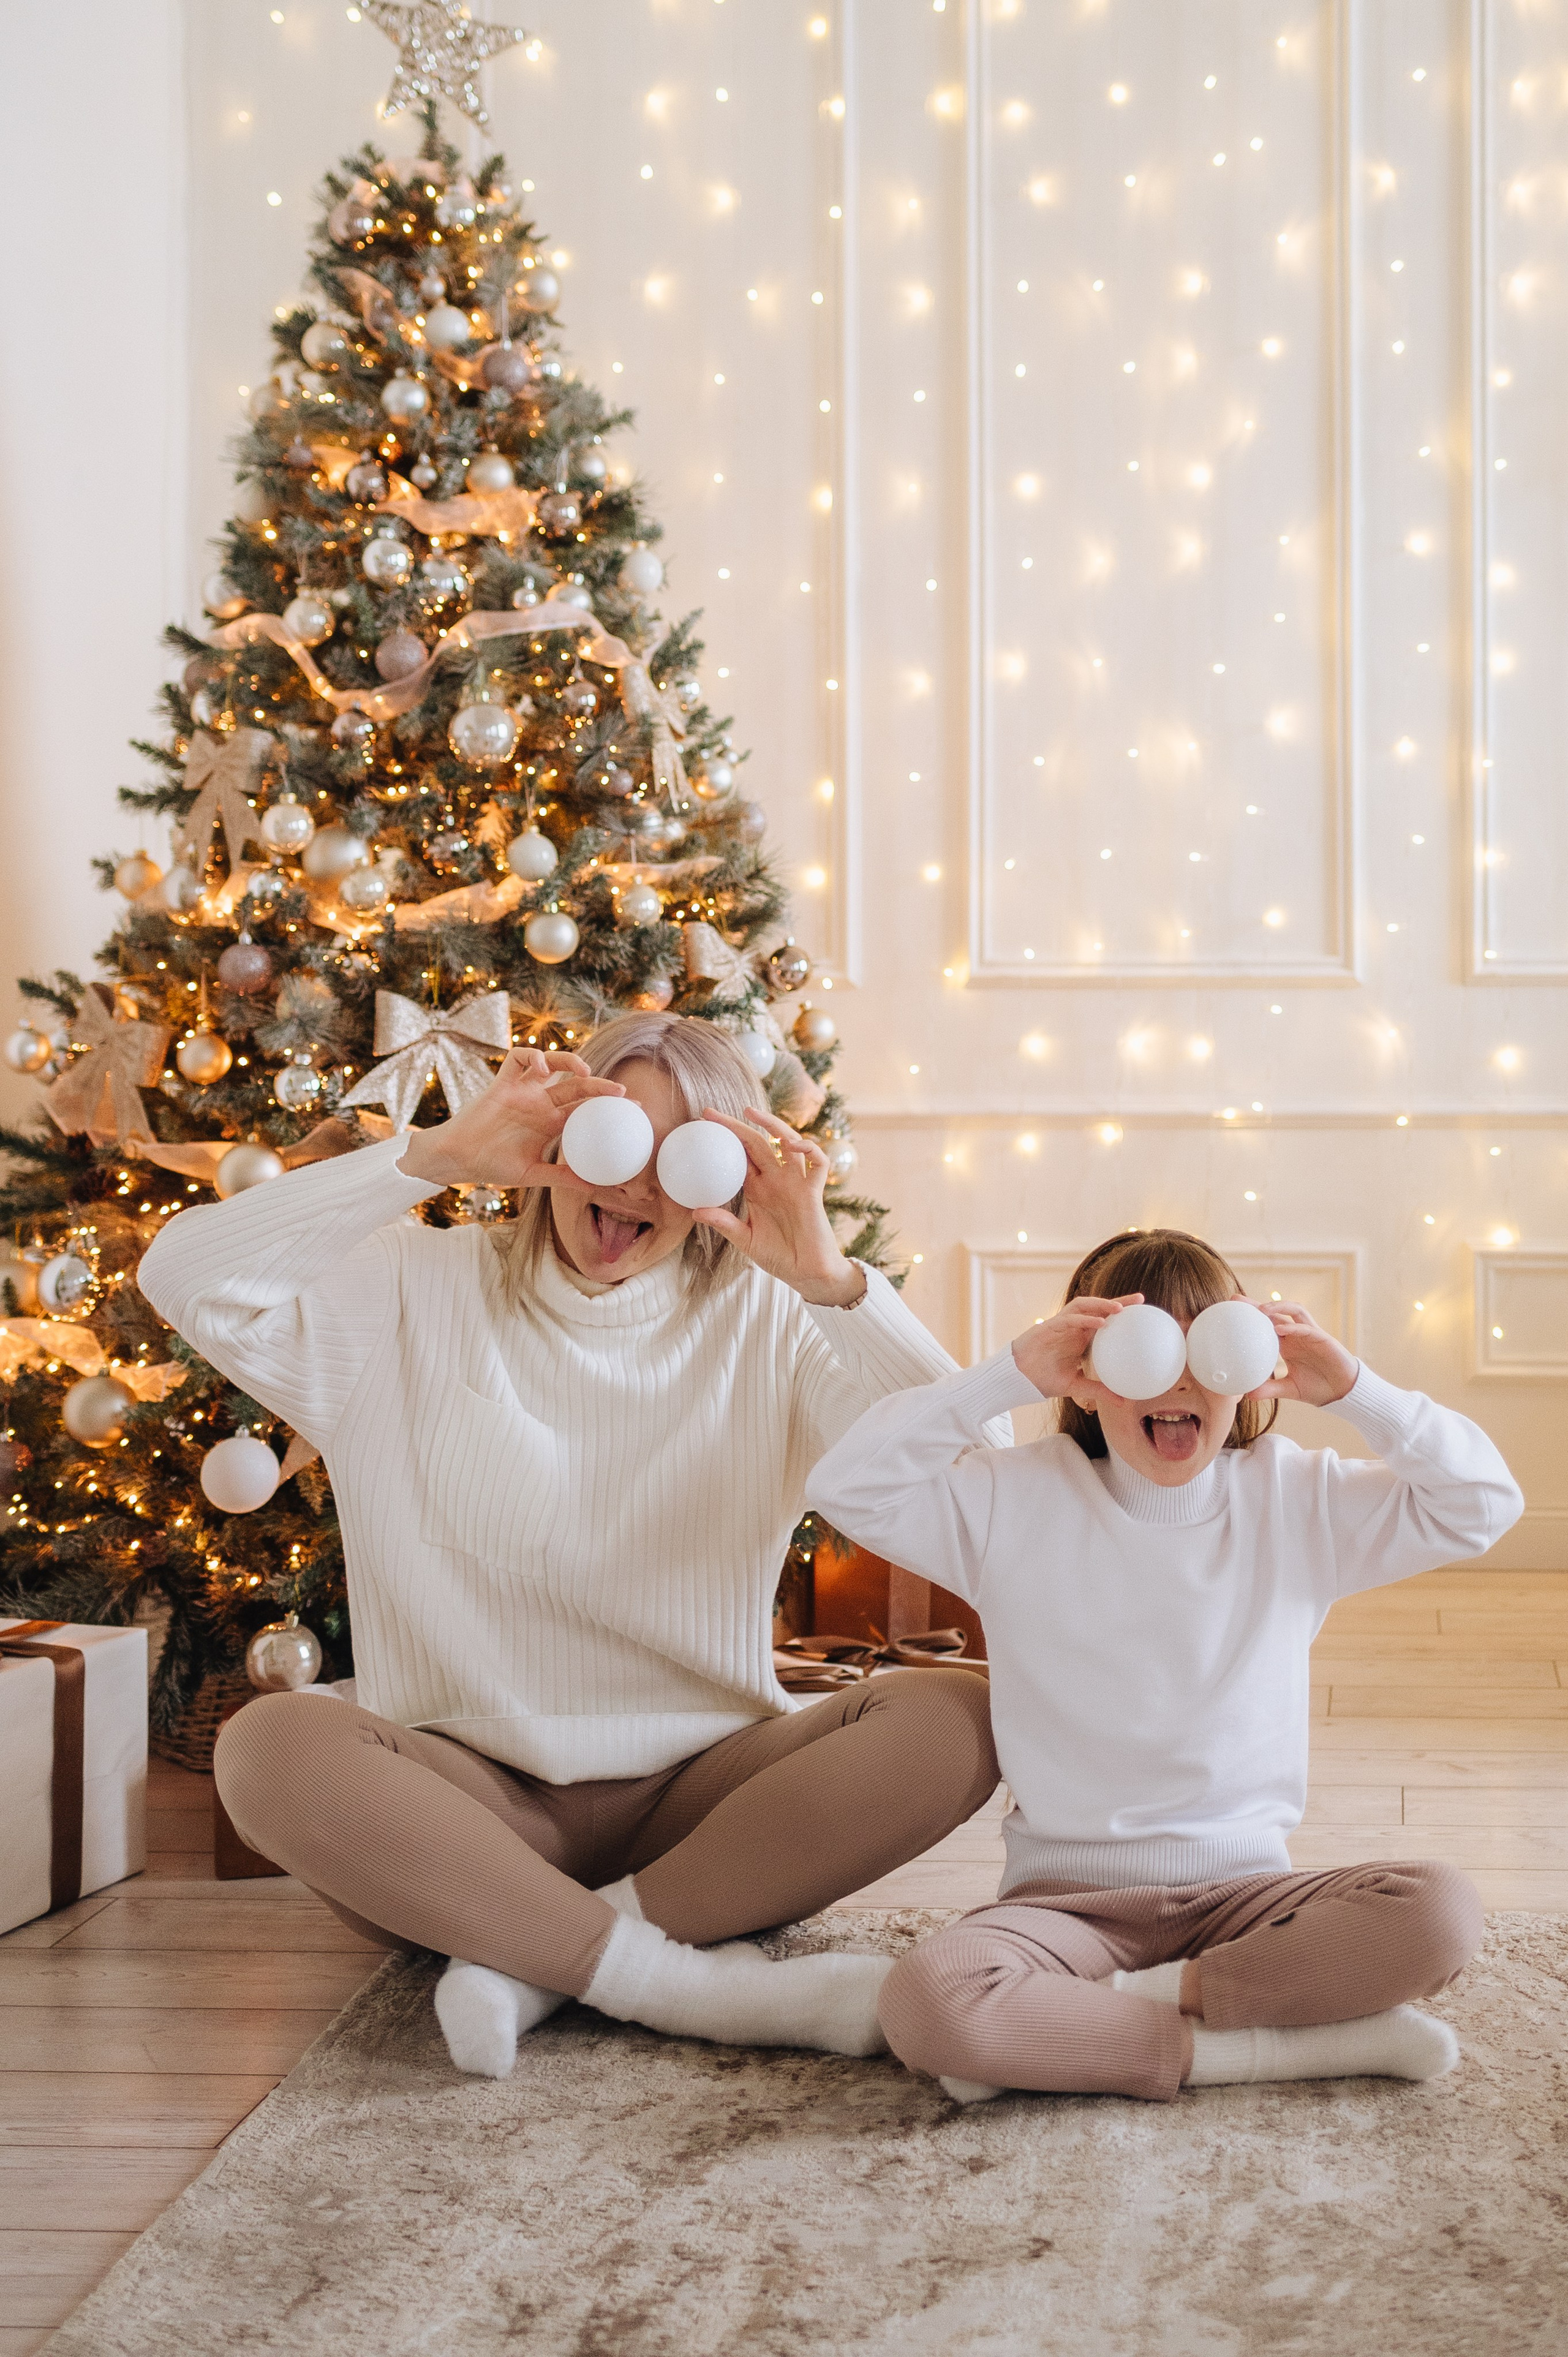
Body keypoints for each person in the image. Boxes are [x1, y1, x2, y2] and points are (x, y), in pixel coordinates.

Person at [138, 1014, 1001, 2076]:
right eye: (617, 1137)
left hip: (707, 1805)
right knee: (268, 1747)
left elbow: (983, 1477)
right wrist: (435, 1156)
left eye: (682, 1158)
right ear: (557, 1139)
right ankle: (676, 1982)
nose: (636, 1186)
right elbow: (184, 1277)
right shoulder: (410, 1285)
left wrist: (830, 1277)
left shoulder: (773, 1319)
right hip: (470, 1805)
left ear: (726, 1178)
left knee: (962, 1714)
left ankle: (535, 1956)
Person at [806, 1227, 1522, 2105]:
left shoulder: (1293, 1497)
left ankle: (1084, 2023)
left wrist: (1356, 1391)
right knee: (926, 2000)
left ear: (1246, 1367)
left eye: (1206, 1350)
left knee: (1441, 1911)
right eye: (1147, 1352)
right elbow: (848, 1487)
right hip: (1060, 1910)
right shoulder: (1010, 1497)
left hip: (1248, 1903)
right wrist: (1009, 1374)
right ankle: (1261, 2047)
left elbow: (1483, 1504)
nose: (1180, 1381)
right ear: (1090, 1373)